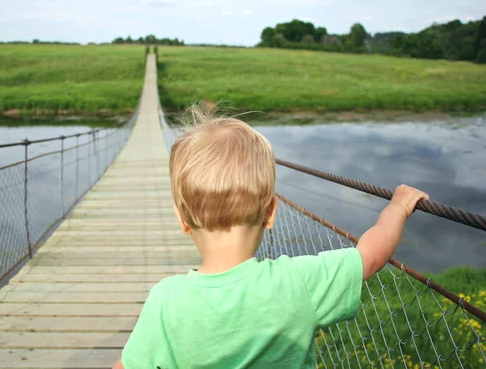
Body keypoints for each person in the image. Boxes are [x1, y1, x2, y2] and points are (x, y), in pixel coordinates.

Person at [113, 103, 429, 369]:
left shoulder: (166, 301)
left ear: (182, 220)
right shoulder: (298, 282)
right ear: (270, 213)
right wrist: (398, 207)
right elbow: (371, 255)